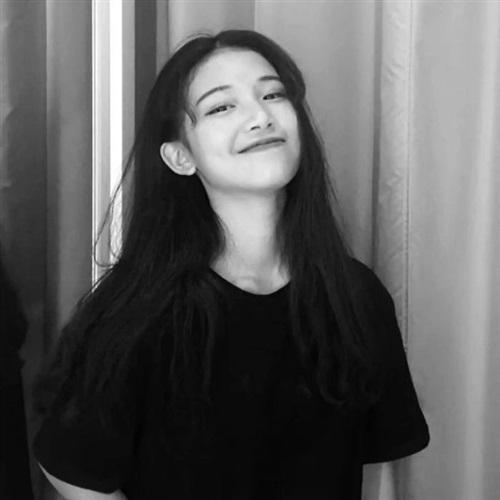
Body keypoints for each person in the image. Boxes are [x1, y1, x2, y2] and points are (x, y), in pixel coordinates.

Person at [32, 29, 429, 500]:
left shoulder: (356, 296)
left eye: (273, 94)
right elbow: (71, 467)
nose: (260, 116)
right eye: (222, 106)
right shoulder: (136, 311)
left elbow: (378, 462)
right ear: (180, 157)